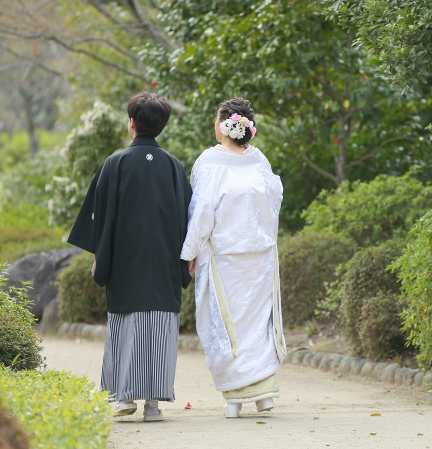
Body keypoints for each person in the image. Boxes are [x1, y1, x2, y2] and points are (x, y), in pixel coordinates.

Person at [66, 91, 192, 423]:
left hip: (124, 261)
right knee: (160, 327)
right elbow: (187, 219)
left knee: (126, 324)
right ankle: (154, 404)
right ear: (160, 127)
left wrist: (100, 256)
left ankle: (124, 396)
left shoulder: (115, 163)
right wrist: (187, 260)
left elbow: (102, 217)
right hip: (165, 262)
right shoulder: (173, 166)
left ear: (132, 123)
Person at [180, 97, 286, 419]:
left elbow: (200, 214)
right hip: (260, 255)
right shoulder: (259, 160)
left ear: (224, 124)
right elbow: (274, 202)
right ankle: (263, 395)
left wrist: (189, 252)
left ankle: (235, 400)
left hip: (226, 258)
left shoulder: (209, 162)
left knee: (230, 326)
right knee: (256, 324)